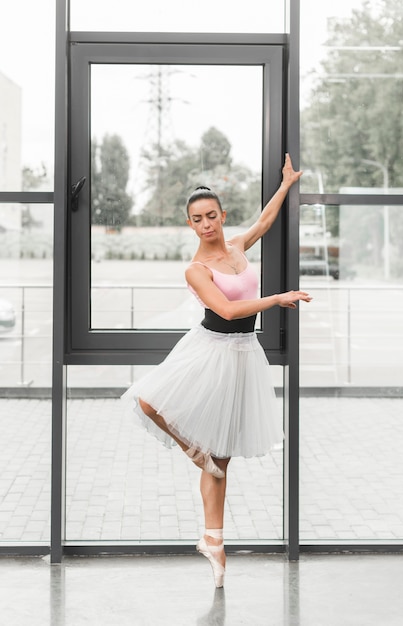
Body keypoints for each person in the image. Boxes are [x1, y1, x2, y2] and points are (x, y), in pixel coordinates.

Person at [122, 153, 312, 588]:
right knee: (148, 400)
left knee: (221, 460)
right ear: (190, 225)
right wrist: (276, 299)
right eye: (197, 219)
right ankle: (193, 450)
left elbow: (263, 224)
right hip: (210, 348)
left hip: (244, 355)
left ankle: (213, 539)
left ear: (222, 216)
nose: (206, 224)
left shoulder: (236, 247)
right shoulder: (196, 270)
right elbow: (226, 310)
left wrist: (285, 186)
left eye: (211, 216)